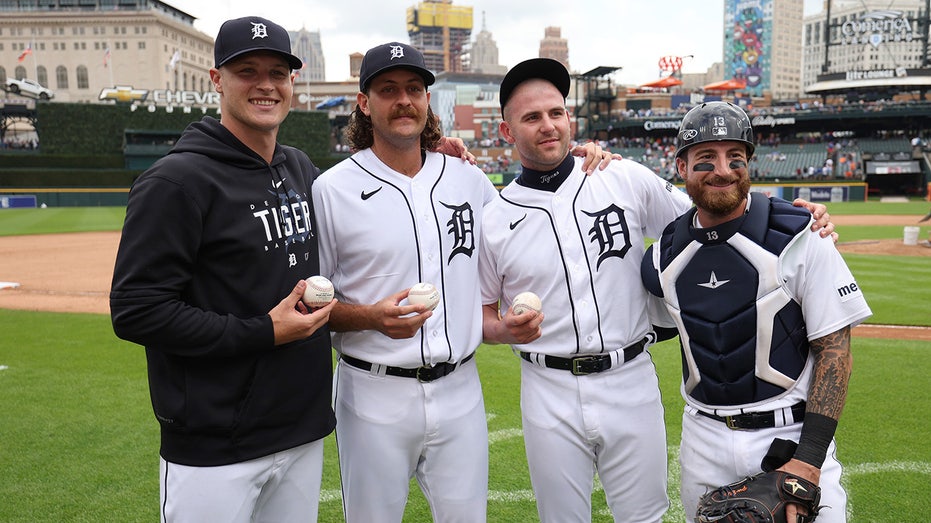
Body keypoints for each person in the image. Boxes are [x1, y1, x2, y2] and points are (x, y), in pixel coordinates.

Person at [479, 60, 836, 523]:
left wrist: (797, 218)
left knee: (644, 516)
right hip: (546, 385)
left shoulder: (622, 177)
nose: (548, 125)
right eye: (532, 118)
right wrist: (504, 330)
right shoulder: (495, 216)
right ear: (507, 131)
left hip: (629, 376)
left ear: (570, 119)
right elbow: (482, 316)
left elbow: (716, 207)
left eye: (556, 113)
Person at [311, 44, 614, 523]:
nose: (404, 100)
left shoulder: (466, 177)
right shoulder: (332, 188)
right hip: (372, 391)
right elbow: (316, 303)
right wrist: (369, 317)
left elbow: (528, 225)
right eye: (388, 90)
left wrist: (579, 159)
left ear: (428, 99)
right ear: (364, 103)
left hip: (460, 390)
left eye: (414, 89)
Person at [110, 16, 336, 522]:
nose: (265, 84)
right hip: (214, 444)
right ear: (217, 79)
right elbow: (136, 311)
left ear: (292, 83)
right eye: (247, 70)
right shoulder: (175, 181)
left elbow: (367, 203)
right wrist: (264, 332)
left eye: (278, 72)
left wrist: (435, 154)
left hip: (301, 428)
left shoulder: (300, 167)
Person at [640, 101, 872, 522]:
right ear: (681, 167)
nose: (723, 170)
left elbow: (835, 351)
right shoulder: (660, 257)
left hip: (791, 434)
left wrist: (809, 461)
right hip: (702, 439)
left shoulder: (802, 236)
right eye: (705, 158)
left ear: (750, 164)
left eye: (736, 158)